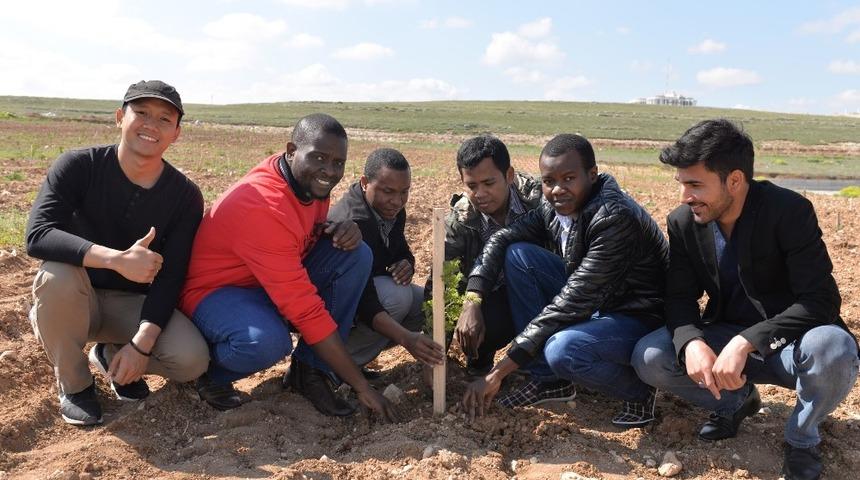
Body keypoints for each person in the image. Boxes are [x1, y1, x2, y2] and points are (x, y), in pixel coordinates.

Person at [631, 119, 859, 480]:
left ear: (734, 181)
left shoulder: (789, 211)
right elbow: (679, 297)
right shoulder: (684, 222)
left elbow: (821, 300)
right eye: (682, 184)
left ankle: (801, 438)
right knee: (652, 355)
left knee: (834, 347)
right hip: (725, 340)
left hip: (794, 348)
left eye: (695, 184)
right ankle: (738, 401)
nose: (684, 196)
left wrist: (749, 341)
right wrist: (691, 341)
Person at [180, 113, 397, 421]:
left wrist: (339, 226)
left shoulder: (306, 182)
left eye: (338, 163)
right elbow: (305, 309)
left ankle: (310, 372)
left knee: (355, 254)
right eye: (320, 158)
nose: (330, 171)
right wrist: (360, 385)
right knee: (266, 343)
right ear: (291, 150)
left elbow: (304, 232)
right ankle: (208, 374)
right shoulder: (263, 206)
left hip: (263, 282)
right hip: (217, 292)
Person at [26, 80, 209, 426]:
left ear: (176, 134)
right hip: (75, 296)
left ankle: (110, 355)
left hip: (130, 306)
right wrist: (115, 260)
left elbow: (172, 276)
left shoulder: (185, 196)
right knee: (56, 275)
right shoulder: (79, 166)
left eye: (164, 119)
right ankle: (75, 384)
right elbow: (39, 234)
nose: (151, 125)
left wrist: (141, 346)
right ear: (119, 117)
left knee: (191, 360)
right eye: (141, 113)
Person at [461, 133, 668, 427]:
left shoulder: (613, 219)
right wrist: (473, 298)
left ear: (592, 175)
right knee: (519, 254)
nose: (557, 189)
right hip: (600, 300)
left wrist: (497, 373)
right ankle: (549, 382)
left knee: (563, 349)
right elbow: (503, 238)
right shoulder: (553, 206)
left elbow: (569, 304)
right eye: (549, 181)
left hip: (638, 313)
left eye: (569, 178)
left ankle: (638, 390)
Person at [428, 134, 542, 376]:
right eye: (471, 186)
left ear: (509, 175)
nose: (480, 193)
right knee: (476, 321)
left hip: (543, 292)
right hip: (492, 295)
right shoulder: (460, 220)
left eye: (489, 183)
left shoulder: (539, 199)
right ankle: (480, 363)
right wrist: (433, 354)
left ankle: (543, 364)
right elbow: (442, 282)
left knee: (517, 253)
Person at [328, 148, 444, 373]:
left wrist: (406, 263)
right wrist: (406, 339)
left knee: (425, 303)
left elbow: (400, 250)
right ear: (364, 183)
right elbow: (364, 299)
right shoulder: (353, 223)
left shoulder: (389, 209)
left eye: (404, 192)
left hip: (366, 292)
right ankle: (332, 367)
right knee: (398, 298)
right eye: (388, 191)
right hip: (336, 304)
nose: (397, 201)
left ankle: (355, 361)